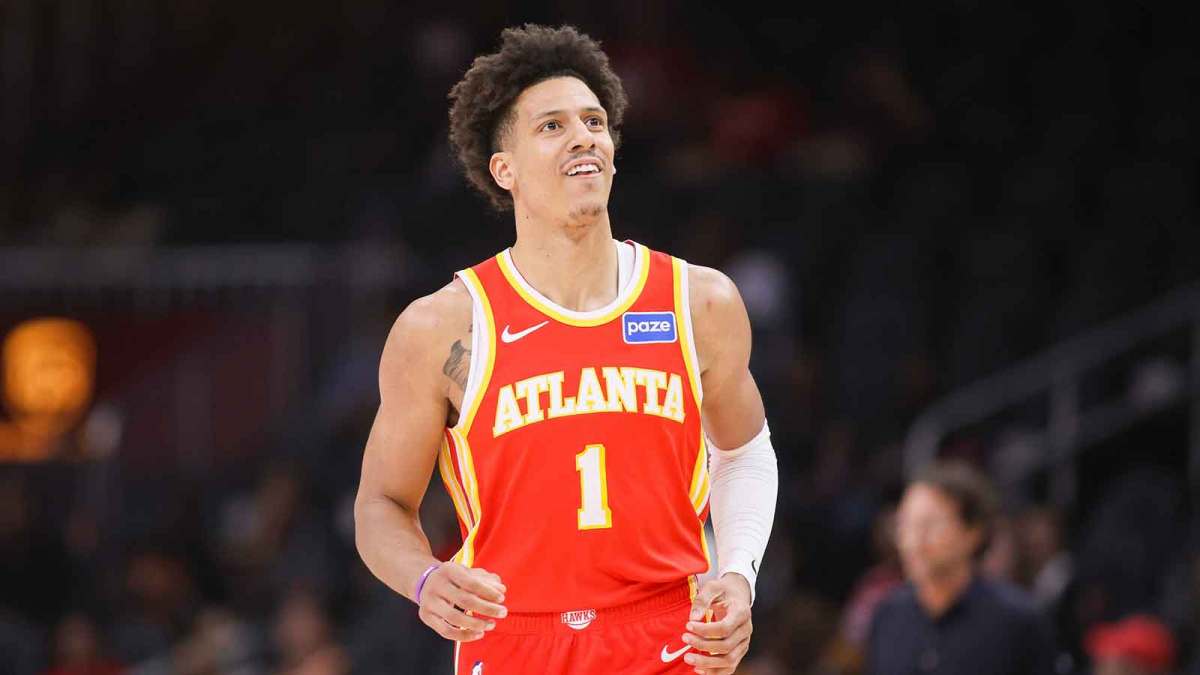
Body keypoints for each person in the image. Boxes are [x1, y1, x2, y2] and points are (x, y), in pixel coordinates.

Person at [353, 24, 779, 675]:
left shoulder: (700, 302)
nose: (584, 135)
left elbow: (744, 450)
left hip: (668, 629)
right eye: (551, 126)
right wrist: (423, 578)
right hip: (514, 635)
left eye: (594, 120)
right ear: (505, 169)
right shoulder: (440, 327)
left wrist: (739, 575)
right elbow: (381, 503)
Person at [866, 461, 1055, 675]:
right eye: (906, 525)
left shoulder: (1017, 620)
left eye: (929, 525)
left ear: (973, 532)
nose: (914, 541)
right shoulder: (889, 615)